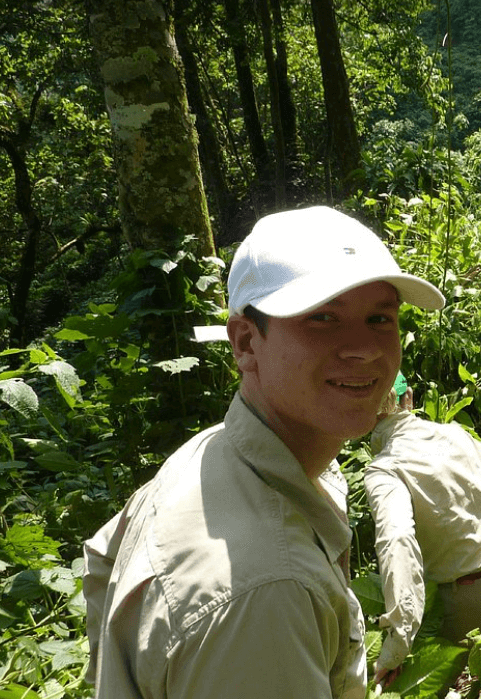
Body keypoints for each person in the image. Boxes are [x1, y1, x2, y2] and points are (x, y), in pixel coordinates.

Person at [82, 206, 445, 699]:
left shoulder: (210, 455)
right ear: (246, 342)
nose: (364, 348)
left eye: (380, 318)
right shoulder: (265, 591)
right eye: (322, 318)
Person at [365, 378, 481, 688]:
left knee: (419, 686)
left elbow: (397, 541)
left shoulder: (385, 468)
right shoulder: (455, 434)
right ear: (409, 396)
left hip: (463, 605)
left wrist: (399, 640)